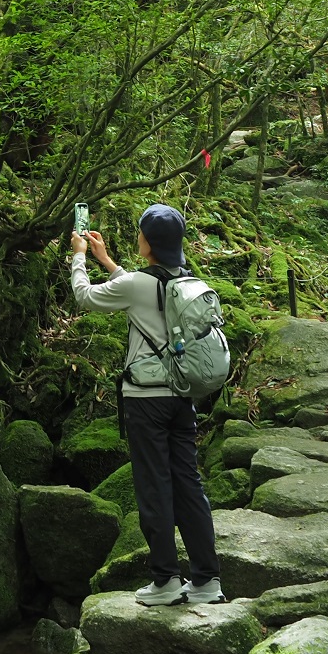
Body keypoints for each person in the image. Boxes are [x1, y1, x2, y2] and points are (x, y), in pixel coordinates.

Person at [68, 203, 223, 607]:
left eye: (140, 233)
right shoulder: (184, 279)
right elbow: (143, 294)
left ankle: (166, 580)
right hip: (182, 397)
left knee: (154, 487)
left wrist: (80, 257)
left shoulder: (137, 284)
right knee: (188, 484)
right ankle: (206, 582)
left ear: (148, 243)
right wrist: (108, 261)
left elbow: (84, 297)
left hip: (146, 400)